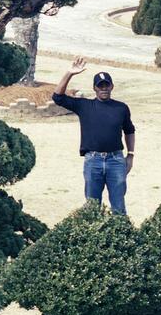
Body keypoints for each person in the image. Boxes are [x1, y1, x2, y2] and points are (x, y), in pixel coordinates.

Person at [52, 57, 136, 214]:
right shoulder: (84, 106)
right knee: (92, 208)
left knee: (118, 207)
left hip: (116, 161)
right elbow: (57, 97)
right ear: (94, 88)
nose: (104, 88)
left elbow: (129, 130)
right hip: (93, 161)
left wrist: (130, 155)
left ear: (112, 87)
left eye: (107, 85)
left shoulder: (121, 108)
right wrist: (70, 73)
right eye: (100, 86)